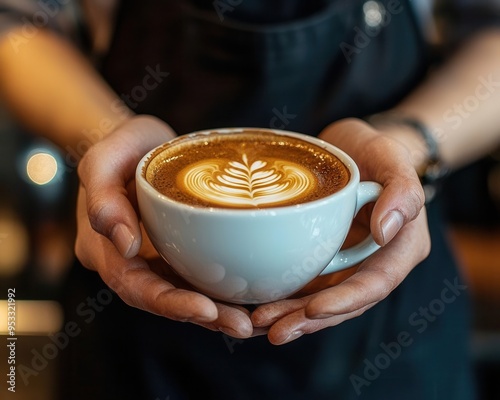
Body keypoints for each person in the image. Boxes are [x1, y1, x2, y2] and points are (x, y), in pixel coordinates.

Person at [0, 0, 499, 398]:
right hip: (138, 290)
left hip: (391, 333)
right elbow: (15, 23)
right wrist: (105, 137)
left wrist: (409, 147)